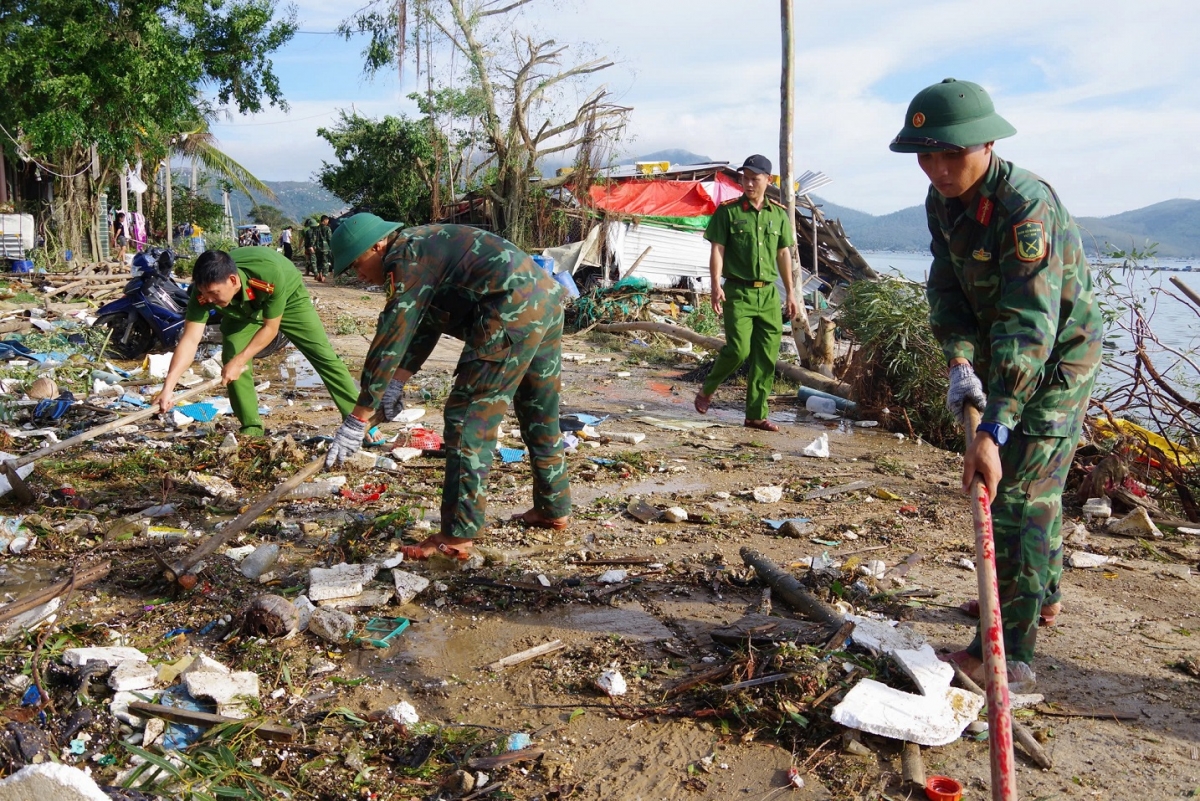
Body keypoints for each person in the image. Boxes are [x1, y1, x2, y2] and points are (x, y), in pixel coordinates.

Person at [890, 78, 1102, 690]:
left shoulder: (1024, 207)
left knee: (1019, 498)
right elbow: (947, 288)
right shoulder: (943, 200)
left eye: (951, 154)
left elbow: (1030, 324)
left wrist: (995, 425)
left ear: (987, 144)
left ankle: (1008, 658)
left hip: (1056, 361)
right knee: (1035, 488)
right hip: (1003, 352)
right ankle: (1039, 595)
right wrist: (959, 362)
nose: (937, 168)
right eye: (926, 155)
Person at [325, 215, 572, 561]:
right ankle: (552, 508)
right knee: (538, 411)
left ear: (377, 245)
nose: (359, 275)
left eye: (357, 264)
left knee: (468, 417)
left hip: (510, 309)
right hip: (544, 300)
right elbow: (426, 324)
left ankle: (457, 535)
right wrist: (395, 384)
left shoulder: (405, 258)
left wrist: (358, 417)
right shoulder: (425, 248)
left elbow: (391, 336)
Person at [152, 247, 386, 445]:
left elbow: (270, 329)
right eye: (206, 294)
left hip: (289, 298)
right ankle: (251, 427)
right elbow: (190, 340)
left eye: (214, 294)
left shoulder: (267, 275)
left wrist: (240, 361)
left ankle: (361, 422)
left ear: (233, 280)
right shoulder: (204, 292)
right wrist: (168, 388)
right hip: (240, 311)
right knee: (232, 355)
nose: (209, 300)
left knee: (322, 355)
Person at [693, 155, 798, 431]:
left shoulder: (779, 214)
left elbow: (783, 254)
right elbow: (717, 249)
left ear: (768, 181)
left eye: (755, 179)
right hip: (737, 292)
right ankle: (708, 388)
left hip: (769, 296)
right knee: (739, 350)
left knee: (766, 356)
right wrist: (715, 285)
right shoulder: (728, 212)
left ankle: (755, 415)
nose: (748, 184)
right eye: (745, 178)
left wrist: (791, 293)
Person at [312, 215, 333, 282]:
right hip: (325, 248)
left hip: (317, 248)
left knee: (319, 262)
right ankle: (324, 276)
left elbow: (313, 238)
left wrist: (313, 246)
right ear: (325, 220)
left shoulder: (316, 229)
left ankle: (319, 274)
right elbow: (330, 239)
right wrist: (331, 247)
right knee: (325, 262)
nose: (328, 222)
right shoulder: (327, 228)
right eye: (327, 220)